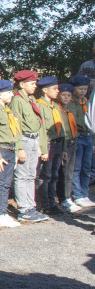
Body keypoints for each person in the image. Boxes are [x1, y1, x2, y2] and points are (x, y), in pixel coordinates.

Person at [8, 70, 50, 223]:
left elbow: (38, 123)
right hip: (24, 140)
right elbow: (16, 126)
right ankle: (24, 209)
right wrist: (19, 148)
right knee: (22, 175)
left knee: (31, 175)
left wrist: (40, 145)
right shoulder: (17, 101)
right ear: (22, 84)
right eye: (32, 83)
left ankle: (31, 206)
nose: (35, 86)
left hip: (33, 139)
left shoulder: (30, 99)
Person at [0, 80, 24, 228]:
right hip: (2, 150)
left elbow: (14, 132)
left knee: (6, 184)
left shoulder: (6, 110)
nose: (11, 94)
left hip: (10, 149)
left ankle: (3, 213)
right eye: (9, 92)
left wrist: (17, 150)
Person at [34, 76, 64, 215]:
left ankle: (52, 203)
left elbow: (61, 128)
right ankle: (45, 204)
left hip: (58, 143)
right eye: (54, 89)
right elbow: (41, 128)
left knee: (54, 175)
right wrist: (43, 148)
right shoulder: (39, 105)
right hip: (48, 144)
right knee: (45, 175)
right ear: (45, 91)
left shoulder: (54, 105)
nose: (57, 91)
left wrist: (63, 148)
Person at [66, 75, 94, 207]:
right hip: (77, 137)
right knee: (76, 167)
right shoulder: (71, 103)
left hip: (88, 137)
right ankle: (77, 194)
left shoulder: (86, 102)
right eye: (80, 89)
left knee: (86, 167)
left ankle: (84, 193)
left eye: (85, 89)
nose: (83, 91)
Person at [55, 84, 82, 213]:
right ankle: (63, 198)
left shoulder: (71, 109)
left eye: (68, 95)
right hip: (62, 144)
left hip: (72, 143)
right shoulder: (57, 109)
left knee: (69, 172)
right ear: (58, 95)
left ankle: (68, 197)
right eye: (63, 95)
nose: (66, 97)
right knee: (62, 172)